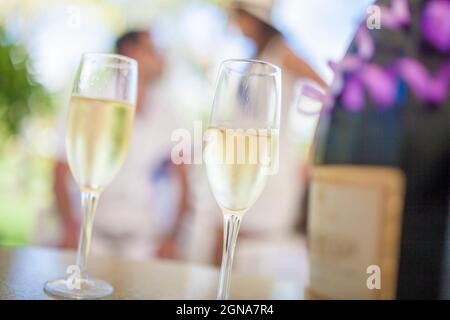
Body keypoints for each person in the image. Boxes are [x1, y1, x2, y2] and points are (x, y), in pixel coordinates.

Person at [212, 0, 326, 278]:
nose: (235, 24)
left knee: (254, 249)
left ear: (252, 19)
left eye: (238, 17)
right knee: (226, 238)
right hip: (238, 161)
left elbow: (328, 92)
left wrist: (312, 154)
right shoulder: (253, 54)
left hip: (270, 166)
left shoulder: (283, 53)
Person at [53, 30, 189, 259]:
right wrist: (69, 228)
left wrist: (171, 238)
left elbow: (184, 179)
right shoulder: (91, 102)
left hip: (145, 247)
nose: (161, 57)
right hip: (92, 240)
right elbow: (59, 170)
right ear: (130, 52)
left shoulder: (170, 115)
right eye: (152, 50)